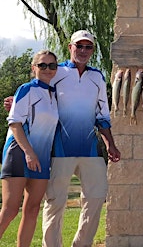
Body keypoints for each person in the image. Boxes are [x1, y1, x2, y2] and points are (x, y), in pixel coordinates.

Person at [4, 30, 121, 247]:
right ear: (70, 47)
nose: (83, 51)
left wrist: (110, 144)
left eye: (88, 47)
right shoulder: (57, 72)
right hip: (59, 151)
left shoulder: (97, 77)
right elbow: (36, 91)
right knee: (55, 203)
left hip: (90, 151)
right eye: (79, 46)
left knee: (95, 199)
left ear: (92, 50)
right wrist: (17, 102)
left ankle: (81, 244)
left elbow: (102, 115)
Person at [0, 50, 60, 247]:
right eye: (42, 65)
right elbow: (15, 123)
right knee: (10, 210)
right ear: (34, 68)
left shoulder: (54, 95)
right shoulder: (26, 89)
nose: (47, 69)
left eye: (52, 65)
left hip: (41, 157)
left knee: (33, 209)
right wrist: (28, 152)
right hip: (19, 152)